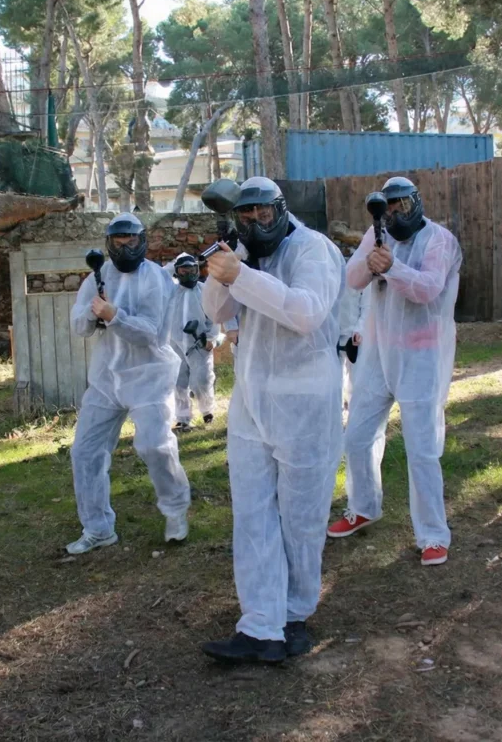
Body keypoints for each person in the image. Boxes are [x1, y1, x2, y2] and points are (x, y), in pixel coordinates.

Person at [199, 177, 344, 665]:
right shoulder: (243, 253)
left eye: (263, 213)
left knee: (301, 517)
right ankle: (260, 623)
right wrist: (221, 273)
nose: (256, 223)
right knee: (253, 513)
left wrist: (240, 274)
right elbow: (216, 312)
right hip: (251, 402)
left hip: (305, 402)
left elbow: (305, 313)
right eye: (246, 215)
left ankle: (295, 613)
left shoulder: (312, 250)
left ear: (280, 210)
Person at [327, 177, 461, 569]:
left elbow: (429, 290)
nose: (396, 213)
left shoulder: (440, 240)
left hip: (422, 356)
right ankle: (364, 506)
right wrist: (370, 264)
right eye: (389, 208)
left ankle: (434, 535)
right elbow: (351, 280)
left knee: (422, 448)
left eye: (402, 205)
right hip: (376, 352)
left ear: (416, 202)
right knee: (357, 436)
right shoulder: (376, 234)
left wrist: (394, 267)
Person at [67, 213, 192, 554]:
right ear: (108, 245)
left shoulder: (155, 278)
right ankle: (97, 527)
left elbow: (150, 333)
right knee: (85, 452)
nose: (124, 248)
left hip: (150, 375)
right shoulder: (99, 276)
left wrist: (114, 315)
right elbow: (78, 324)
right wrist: (93, 314)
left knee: (154, 445)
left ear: (142, 241)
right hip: (107, 377)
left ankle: (176, 510)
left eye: (130, 241)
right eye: (117, 243)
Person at [166, 253, 225, 432]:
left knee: (202, 379)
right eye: (183, 270)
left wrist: (211, 338)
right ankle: (183, 418)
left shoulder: (205, 290)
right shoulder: (171, 291)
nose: (188, 273)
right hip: (175, 342)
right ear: (177, 272)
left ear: (197, 270)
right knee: (178, 381)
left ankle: (207, 411)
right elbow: (160, 276)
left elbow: (214, 318)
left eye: (191, 269)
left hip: (199, 343)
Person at [337, 275, 370, 410]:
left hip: (355, 338)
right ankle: (336, 413)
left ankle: (355, 412)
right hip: (334, 335)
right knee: (334, 379)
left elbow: (368, 305)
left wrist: (359, 330)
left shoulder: (361, 269)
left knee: (357, 380)